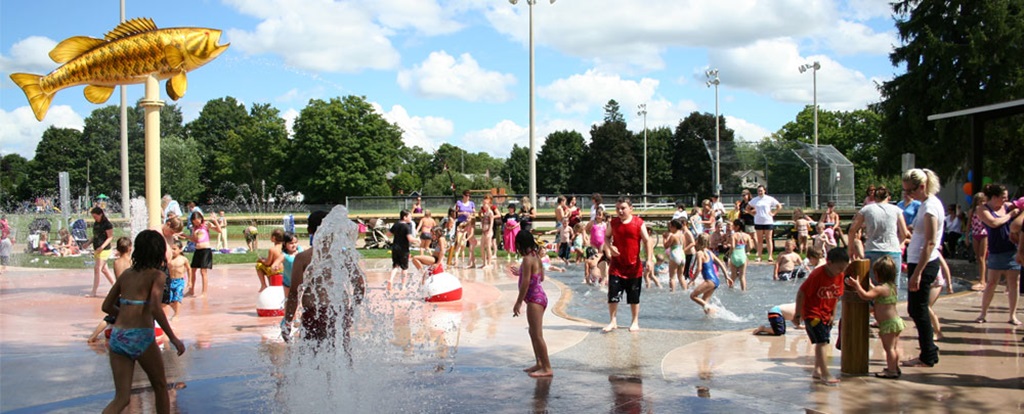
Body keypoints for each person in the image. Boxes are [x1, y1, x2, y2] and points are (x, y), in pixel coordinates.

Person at [100, 230, 185, 414]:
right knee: (160, 387)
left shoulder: (126, 274)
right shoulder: (157, 276)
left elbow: (106, 306)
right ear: (158, 251)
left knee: (121, 398)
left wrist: (125, 313)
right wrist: (173, 337)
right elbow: (155, 307)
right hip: (141, 336)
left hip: (119, 336)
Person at [282, 210, 367, 358]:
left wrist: (288, 322)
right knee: (342, 353)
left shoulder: (303, 257)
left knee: (311, 357)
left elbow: (294, 293)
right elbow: (359, 285)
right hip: (339, 312)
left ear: (309, 230)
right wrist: (352, 311)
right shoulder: (343, 255)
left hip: (314, 313)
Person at [901, 168, 944, 368]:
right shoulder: (926, 204)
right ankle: (928, 352)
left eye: (910, 190)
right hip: (918, 261)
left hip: (924, 264)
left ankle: (928, 354)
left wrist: (917, 273)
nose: (908, 195)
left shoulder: (930, 207)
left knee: (919, 310)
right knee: (917, 309)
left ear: (922, 186)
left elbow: (930, 242)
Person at [794, 247, 850, 386]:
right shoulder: (817, 275)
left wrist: (833, 314)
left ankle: (817, 370)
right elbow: (801, 293)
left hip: (826, 314)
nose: (841, 271)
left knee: (824, 340)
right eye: (839, 268)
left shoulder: (840, 275)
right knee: (822, 342)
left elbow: (836, 296)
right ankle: (825, 374)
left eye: (844, 268)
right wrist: (797, 313)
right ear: (829, 263)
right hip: (812, 313)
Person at [844, 255, 904, 379]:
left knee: (889, 349)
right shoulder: (891, 287)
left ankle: (892, 371)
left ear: (878, 274)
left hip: (888, 324)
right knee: (893, 347)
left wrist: (857, 286)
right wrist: (870, 285)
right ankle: (895, 367)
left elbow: (865, 296)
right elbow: (875, 292)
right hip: (895, 322)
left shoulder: (880, 289)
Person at [602, 197, 655, 333]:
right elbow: (606, 237)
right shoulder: (613, 223)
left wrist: (649, 259)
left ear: (631, 209)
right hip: (616, 266)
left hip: (634, 266)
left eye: (623, 208)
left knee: (634, 296)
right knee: (613, 295)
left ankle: (634, 321)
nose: (620, 211)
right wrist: (610, 247)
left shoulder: (638, 223)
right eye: (617, 209)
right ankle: (613, 321)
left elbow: (647, 241)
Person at [975, 183, 1022, 325]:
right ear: (994, 197)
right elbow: (993, 223)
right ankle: (983, 313)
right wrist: (1010, 215)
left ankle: (1012, 315)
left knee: (1014, 283)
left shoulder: (1008, 206)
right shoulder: (982, 209)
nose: (1006, 200)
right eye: (1003, 197)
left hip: (1012, 249)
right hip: (996, 250)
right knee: (991, 283)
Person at [847, 186, 908, 290]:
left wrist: (850, 249)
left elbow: (852, 230)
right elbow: (905, 233)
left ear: (874, 197)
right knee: (893, 287)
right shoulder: (897, 210)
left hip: (872, 250)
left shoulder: (866, 209)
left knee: (872, 286)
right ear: (888, 197)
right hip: (893, 250)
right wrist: (900, 243)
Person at [509, 230, 552, 378]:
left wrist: (518, 302)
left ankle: (547, 368)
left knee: (537, 334)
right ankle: (539, 363)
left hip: (535, 300)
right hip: (540, 297)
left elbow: (526, 283)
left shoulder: (527, 259)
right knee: (532, 332)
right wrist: (521, 272)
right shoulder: (535, 257)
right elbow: (541, 277)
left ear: (520, 244)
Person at [87, 237, 133, 343]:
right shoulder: (131, 262)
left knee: (110, 318)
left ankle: (93, 336)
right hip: (129, 295)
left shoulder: (116, 262)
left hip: (119, 293)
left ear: (118, 249)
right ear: (130, 248)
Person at [690, 233, 731, 314]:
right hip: (716, 280)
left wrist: (692, 280)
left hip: (709, 281)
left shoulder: (699, 253)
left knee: (693, 296)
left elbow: (699, 268)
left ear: (698, 241)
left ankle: (713, 309)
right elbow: (720, 263)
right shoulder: (709, 252)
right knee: (704, 301)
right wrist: (726, 276)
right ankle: (710, 318)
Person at [185, 211, 220, 297]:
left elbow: (219, 230)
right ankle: (191, 291)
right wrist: (185, 236)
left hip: (206, 250)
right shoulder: (194, 228)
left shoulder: (206, 224)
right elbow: (195, 240)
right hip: (198, 250)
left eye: (197, 221)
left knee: (203, 271)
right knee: (193, 270)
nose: (196, 223)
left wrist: (215, 221)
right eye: (194, 222)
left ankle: (204, 292)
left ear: (201, 218)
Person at [746, 185, 782, 262]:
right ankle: (759, 256)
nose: (760, 192)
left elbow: (779, 206)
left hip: (768, 221)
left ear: (764, 191)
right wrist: (752, 214)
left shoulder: (769, 199)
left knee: (768, 238)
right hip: (758, 221)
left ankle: (770, 256)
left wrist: (774, 213)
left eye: (761, 190)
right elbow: (747, 208)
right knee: (760, 239)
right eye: (758, 191)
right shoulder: (755, 200)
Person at [387, 210, 417, 291]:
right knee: (404, 268)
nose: (411, 218)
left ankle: (391, 279)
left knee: (395, 265)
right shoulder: (406, 227)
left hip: (395, 248)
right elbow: (410, 239)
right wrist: (417, 240)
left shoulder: (396, 224)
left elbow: (388, 234)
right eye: (410, 216)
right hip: (403, 249)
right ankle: (403, 285)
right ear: (405, 217)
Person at [91, 206, 116, 297]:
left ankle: (94, 291)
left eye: (95, 216)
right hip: (97, 249)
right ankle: (116, 287)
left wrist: (102, 247)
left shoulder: (107, 224)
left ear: (101, 214)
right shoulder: (96, 223)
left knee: (97, 269)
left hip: (104, 249)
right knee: (104, 270)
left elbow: (110, 237)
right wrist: (88, 243)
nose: (94, 218)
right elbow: (95, 236)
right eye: (93, 217)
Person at [967, 193, 989, 291]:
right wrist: (966, 237)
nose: (982, 203)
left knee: (982, 257)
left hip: (984, 233)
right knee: (978, 258)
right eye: (980, 201)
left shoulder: (986, 211)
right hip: (975, 233)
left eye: (983, 201)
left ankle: (983, 280)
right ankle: (981, 277)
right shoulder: (972, 211)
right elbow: (968, 224)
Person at [164, 241, 189, 320]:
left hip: (179, 281)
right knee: (169, 300)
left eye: (174, 249)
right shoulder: (169, 259)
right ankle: (176, 311)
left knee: (177, 298)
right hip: (170, 281)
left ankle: (176, 315)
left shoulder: (183, 259)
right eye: (171, 249)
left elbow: (189, 269)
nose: (172, 251)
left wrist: (190, 281)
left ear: (180, 249)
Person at [585, 206, 609, 285]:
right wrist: (586, 237)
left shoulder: (604, 224)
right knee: (594, 256)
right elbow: (585, 229)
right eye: (597, 214)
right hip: (593, 243)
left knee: (601, 258)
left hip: (602, 243)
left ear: (603, 216)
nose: (598, 216)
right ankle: (593, 274)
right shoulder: (592, 223)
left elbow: (607, 234)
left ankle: (601, 274)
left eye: (600, 214)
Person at [664, 219, 690, 291]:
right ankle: (685, 291)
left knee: (672, 277)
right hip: (682, 255)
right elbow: (684, 246)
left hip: (675, 255)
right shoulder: (683, 235)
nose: (670, 228)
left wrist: (664, 238)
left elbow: (666, 246)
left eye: (671, 226)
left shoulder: (673, 236)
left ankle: (672, 293)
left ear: (674, 227)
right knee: (681, 276)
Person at [728, 219, 751, 290]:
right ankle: (744, 290)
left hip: (735, 255)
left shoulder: (734, 235)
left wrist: (729, 254)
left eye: (733, 226)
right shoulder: (747, 236)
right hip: (742, 256)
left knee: (733, 275)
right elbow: (750, 247)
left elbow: (733, 246)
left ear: (737, 227)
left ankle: (730, 289)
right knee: (742, 276)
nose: (732, 227)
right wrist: (746, 251)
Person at [281, 232, 303, 299]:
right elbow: (275, 264)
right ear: (284, 243)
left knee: (300, 300)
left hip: (301, 281)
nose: (294, 245)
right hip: (288, 282)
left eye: (295, 242)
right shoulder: (284, 255)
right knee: (287, 299)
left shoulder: (301, 250)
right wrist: (275, 267)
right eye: (291, 243)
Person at [479, 195, 495, 268]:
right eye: (483, 204)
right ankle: (484, 262)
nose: (483, 205)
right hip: (484, 231)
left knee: (488, 247)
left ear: (489, 204)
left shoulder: (490, 213)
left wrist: (489, 231)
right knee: (482, 246)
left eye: (485, 204)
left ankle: (489, 263)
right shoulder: (485, 213)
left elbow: (491, 222)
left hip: (488, 231)